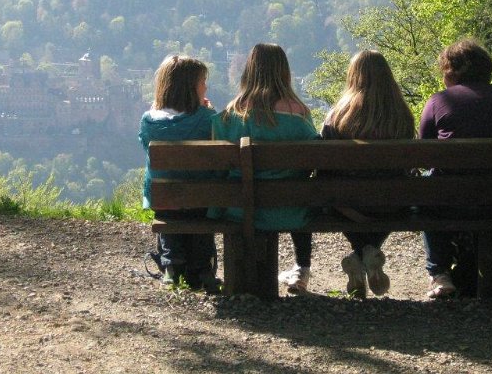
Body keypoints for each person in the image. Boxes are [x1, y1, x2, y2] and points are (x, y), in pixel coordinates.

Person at [419, 40, 492, 298]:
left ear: (452, 72)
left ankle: (440, 272)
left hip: (451, 199)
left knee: (424, 188)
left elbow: (423, 154)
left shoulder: (439, 101)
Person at [210, 43, 318, 294]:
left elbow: (218, 170)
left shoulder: (227, 116)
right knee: (298, 191)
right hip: (289, 211)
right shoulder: (299, 115)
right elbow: (314, 160)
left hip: (238, 210)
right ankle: (302, 268)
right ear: (284, 72)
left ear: (249, 71)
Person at [320, 50, 415, 297]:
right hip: (393, 204)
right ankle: (369, 251)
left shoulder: (337, 115)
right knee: (383, 198)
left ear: (353, 77)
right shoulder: (402, 115)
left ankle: (360, 253)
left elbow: (324, 168)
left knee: (341, 193)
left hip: (345, 205)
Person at [138, 55, 220, 292]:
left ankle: (172, 265)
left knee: (171, 208)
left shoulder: (149, 121)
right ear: (191, 87)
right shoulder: (208, 118)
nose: (205, 86)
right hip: (203, 203)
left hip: (164, 202)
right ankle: (202, 267)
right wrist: (210, 111)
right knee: (199, 204)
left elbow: (147, 151)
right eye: (202, 82)